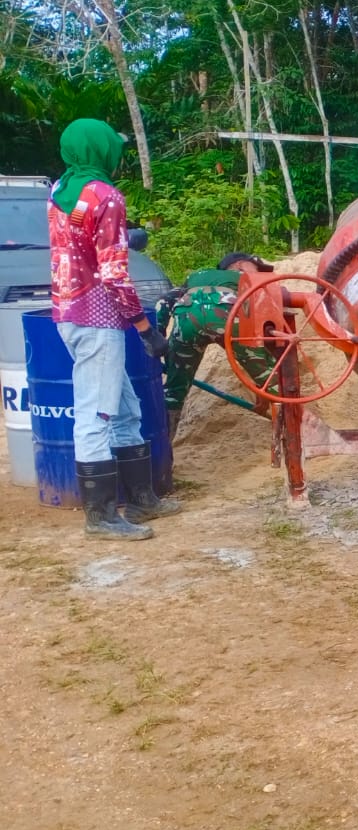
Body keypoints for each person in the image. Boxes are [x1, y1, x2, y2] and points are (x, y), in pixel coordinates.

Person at [48, 118, 181, 541]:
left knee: (125, 409)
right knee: (97, 414)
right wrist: (144, 327)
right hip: (98, 318)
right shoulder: (107, 196)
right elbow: (115, 273)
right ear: (102, 149)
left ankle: (143, 498)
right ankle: (101, 516)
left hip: (69, 313)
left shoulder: (59, 191)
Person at [159, 252, 281, 431]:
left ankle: (162, 449)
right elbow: (265, 316)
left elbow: (165, 301)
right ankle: (301, 426)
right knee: (271, 378)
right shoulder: (245, 278)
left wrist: (157, 334)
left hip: (186, 320)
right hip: (226, 317)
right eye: (257, 268)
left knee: (173, 391)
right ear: (240, 265)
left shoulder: (196, 276)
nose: (258, 273)